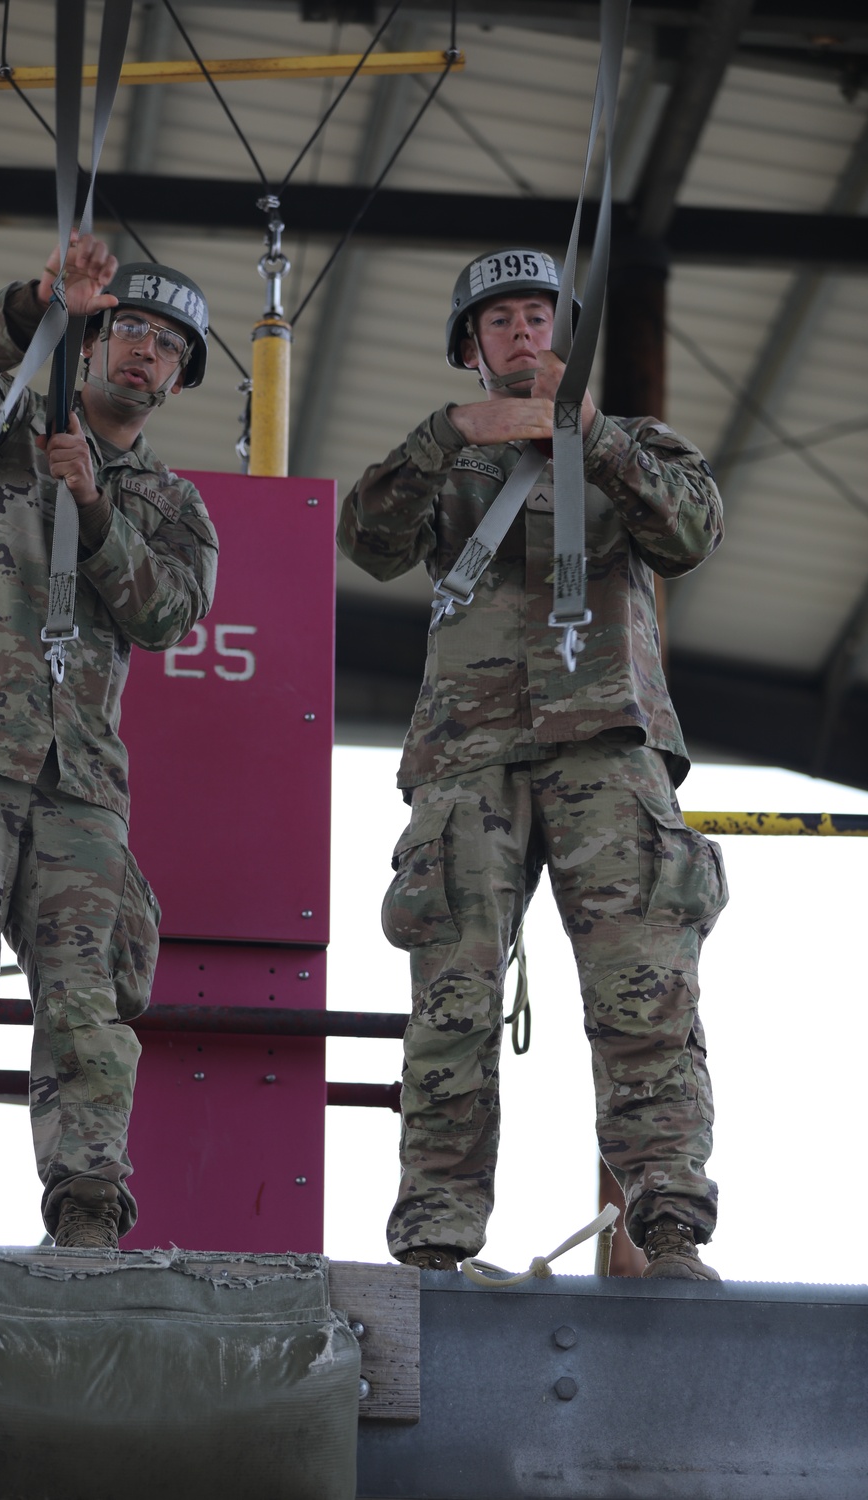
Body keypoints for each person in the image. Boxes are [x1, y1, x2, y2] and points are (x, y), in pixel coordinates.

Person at [338, 248, 728, 1280]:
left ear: (568, 337)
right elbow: (366, 538)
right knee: (452, 1004)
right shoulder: (448, 461)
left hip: (607, 747)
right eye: (499, 320)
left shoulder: (634, 443)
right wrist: (445, 435)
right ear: (470, 350)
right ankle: (433, 1241)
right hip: (468, 760)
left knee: (645, 995)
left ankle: (670, 1227)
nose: (522, 332)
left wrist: (588, 434)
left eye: (538, 316)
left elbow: (689, 529)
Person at [0, 234, 218, 1250]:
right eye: (128, 331)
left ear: (180, 381)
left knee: (89, 1005)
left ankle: (88, 1209)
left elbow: (167, 614)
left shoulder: (172, 504)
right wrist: (33, 305)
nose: (144, 353)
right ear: (94, 341)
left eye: (167, 346)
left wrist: (95, 508)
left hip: (79, 782)